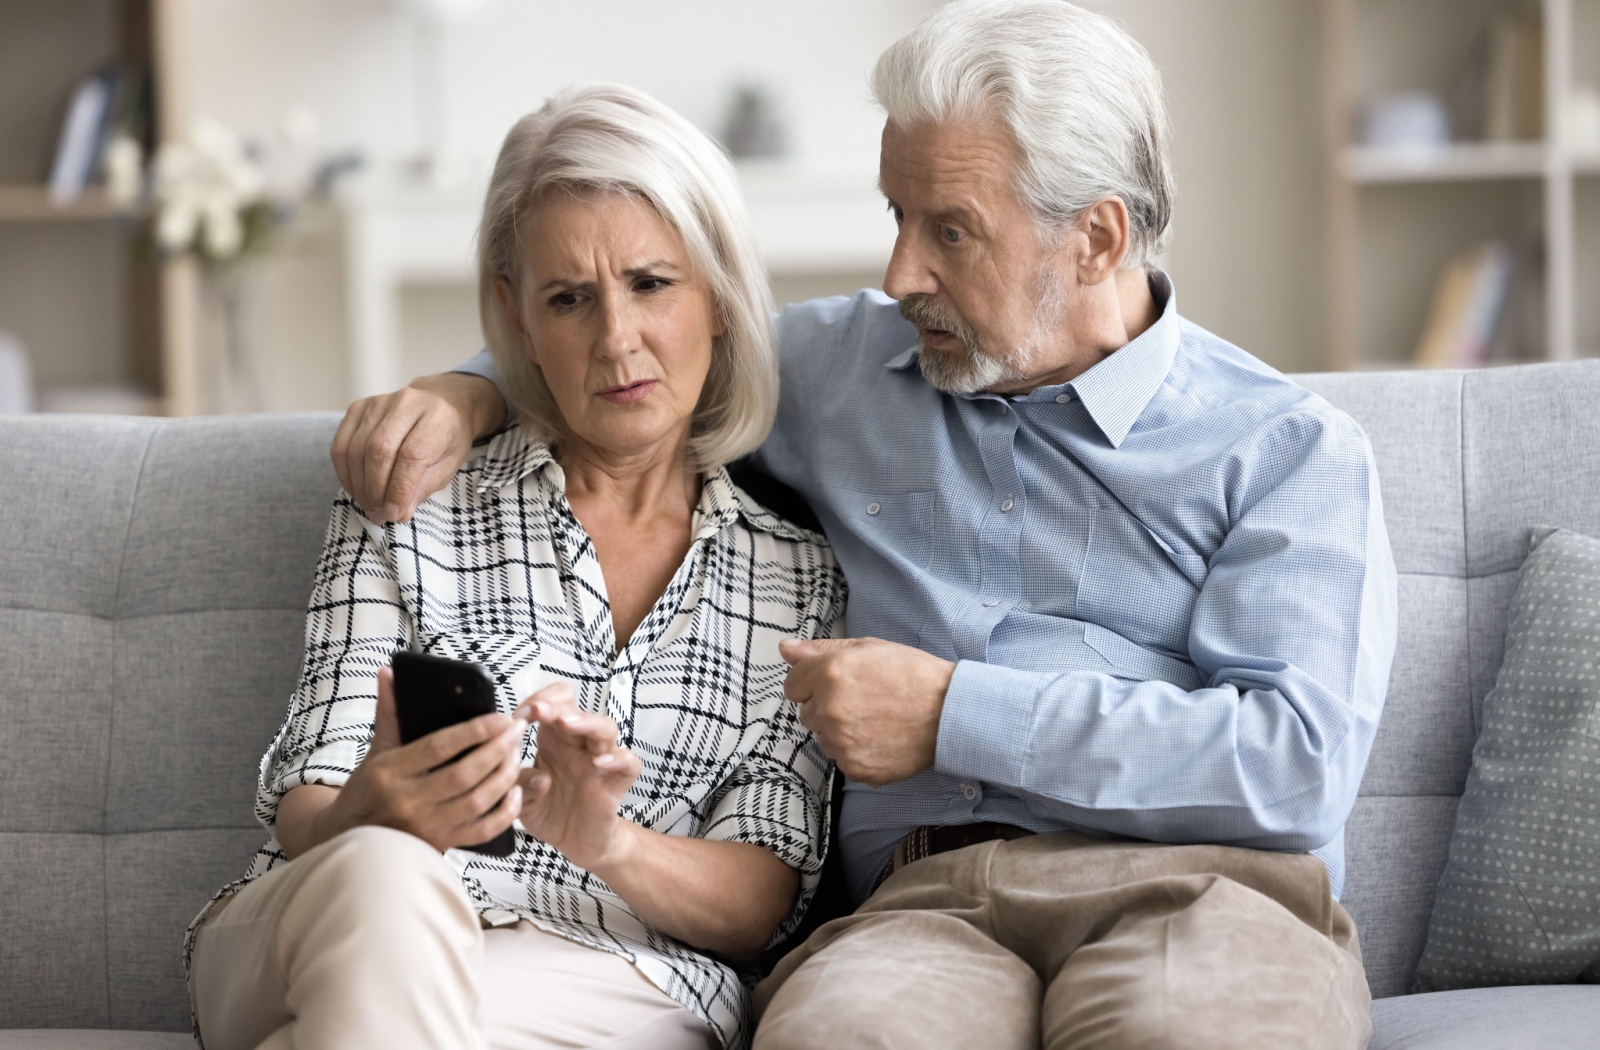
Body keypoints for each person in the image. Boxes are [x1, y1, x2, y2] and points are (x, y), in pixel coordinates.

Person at [332, 3, 1399, 1047]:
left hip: (1202, 895)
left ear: (1095, 238)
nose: (899, 276)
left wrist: (952, 714)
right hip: (916, 908)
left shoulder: (1283, 449)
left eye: (950, 231)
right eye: (898, 217)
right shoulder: (846, 367)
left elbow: (1293, 765)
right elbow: (627, 350)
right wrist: (460, 395)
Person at [186, 83, 846, 1050]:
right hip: (333, 916)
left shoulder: (797, 580)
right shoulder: (412, 501)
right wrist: (378, 807)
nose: (617, 340)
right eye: (569, 299)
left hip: (601, 977)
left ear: (719, 299)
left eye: (652, 284)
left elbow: (760, 894)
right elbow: (307, 810)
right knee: (386, 879)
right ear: (516, 315)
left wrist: (607, 842)